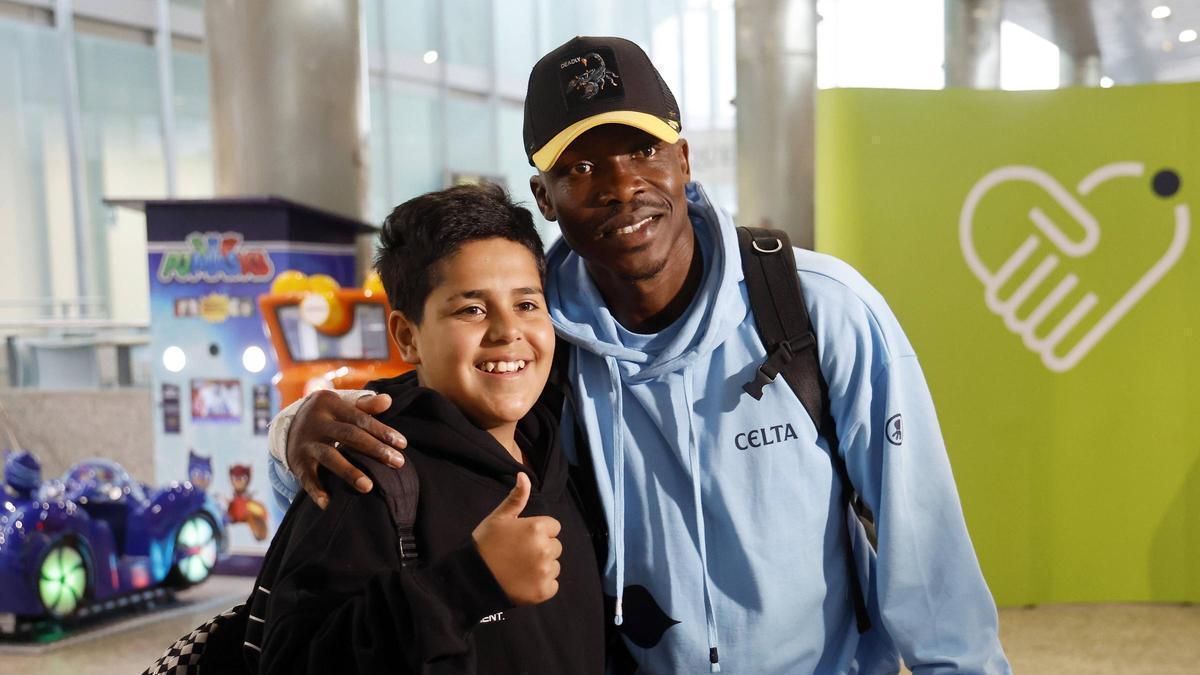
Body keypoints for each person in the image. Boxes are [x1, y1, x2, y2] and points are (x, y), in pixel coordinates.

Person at [269, 36, 1011, 674]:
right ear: (545, 197)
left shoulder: (815, 310)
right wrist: (291, 431)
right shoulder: (541, 340)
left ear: (684, 160)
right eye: (580, 168)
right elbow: (428, 413)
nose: (622, 186)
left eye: (643, 150)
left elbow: (927, 553)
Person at [252, 184, 603, 674]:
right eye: (471, 309)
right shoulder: (372, 474)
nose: (508, 331)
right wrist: (466, 584)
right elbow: (289, 663)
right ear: (407, 336)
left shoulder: (561, 449)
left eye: (526, 304)